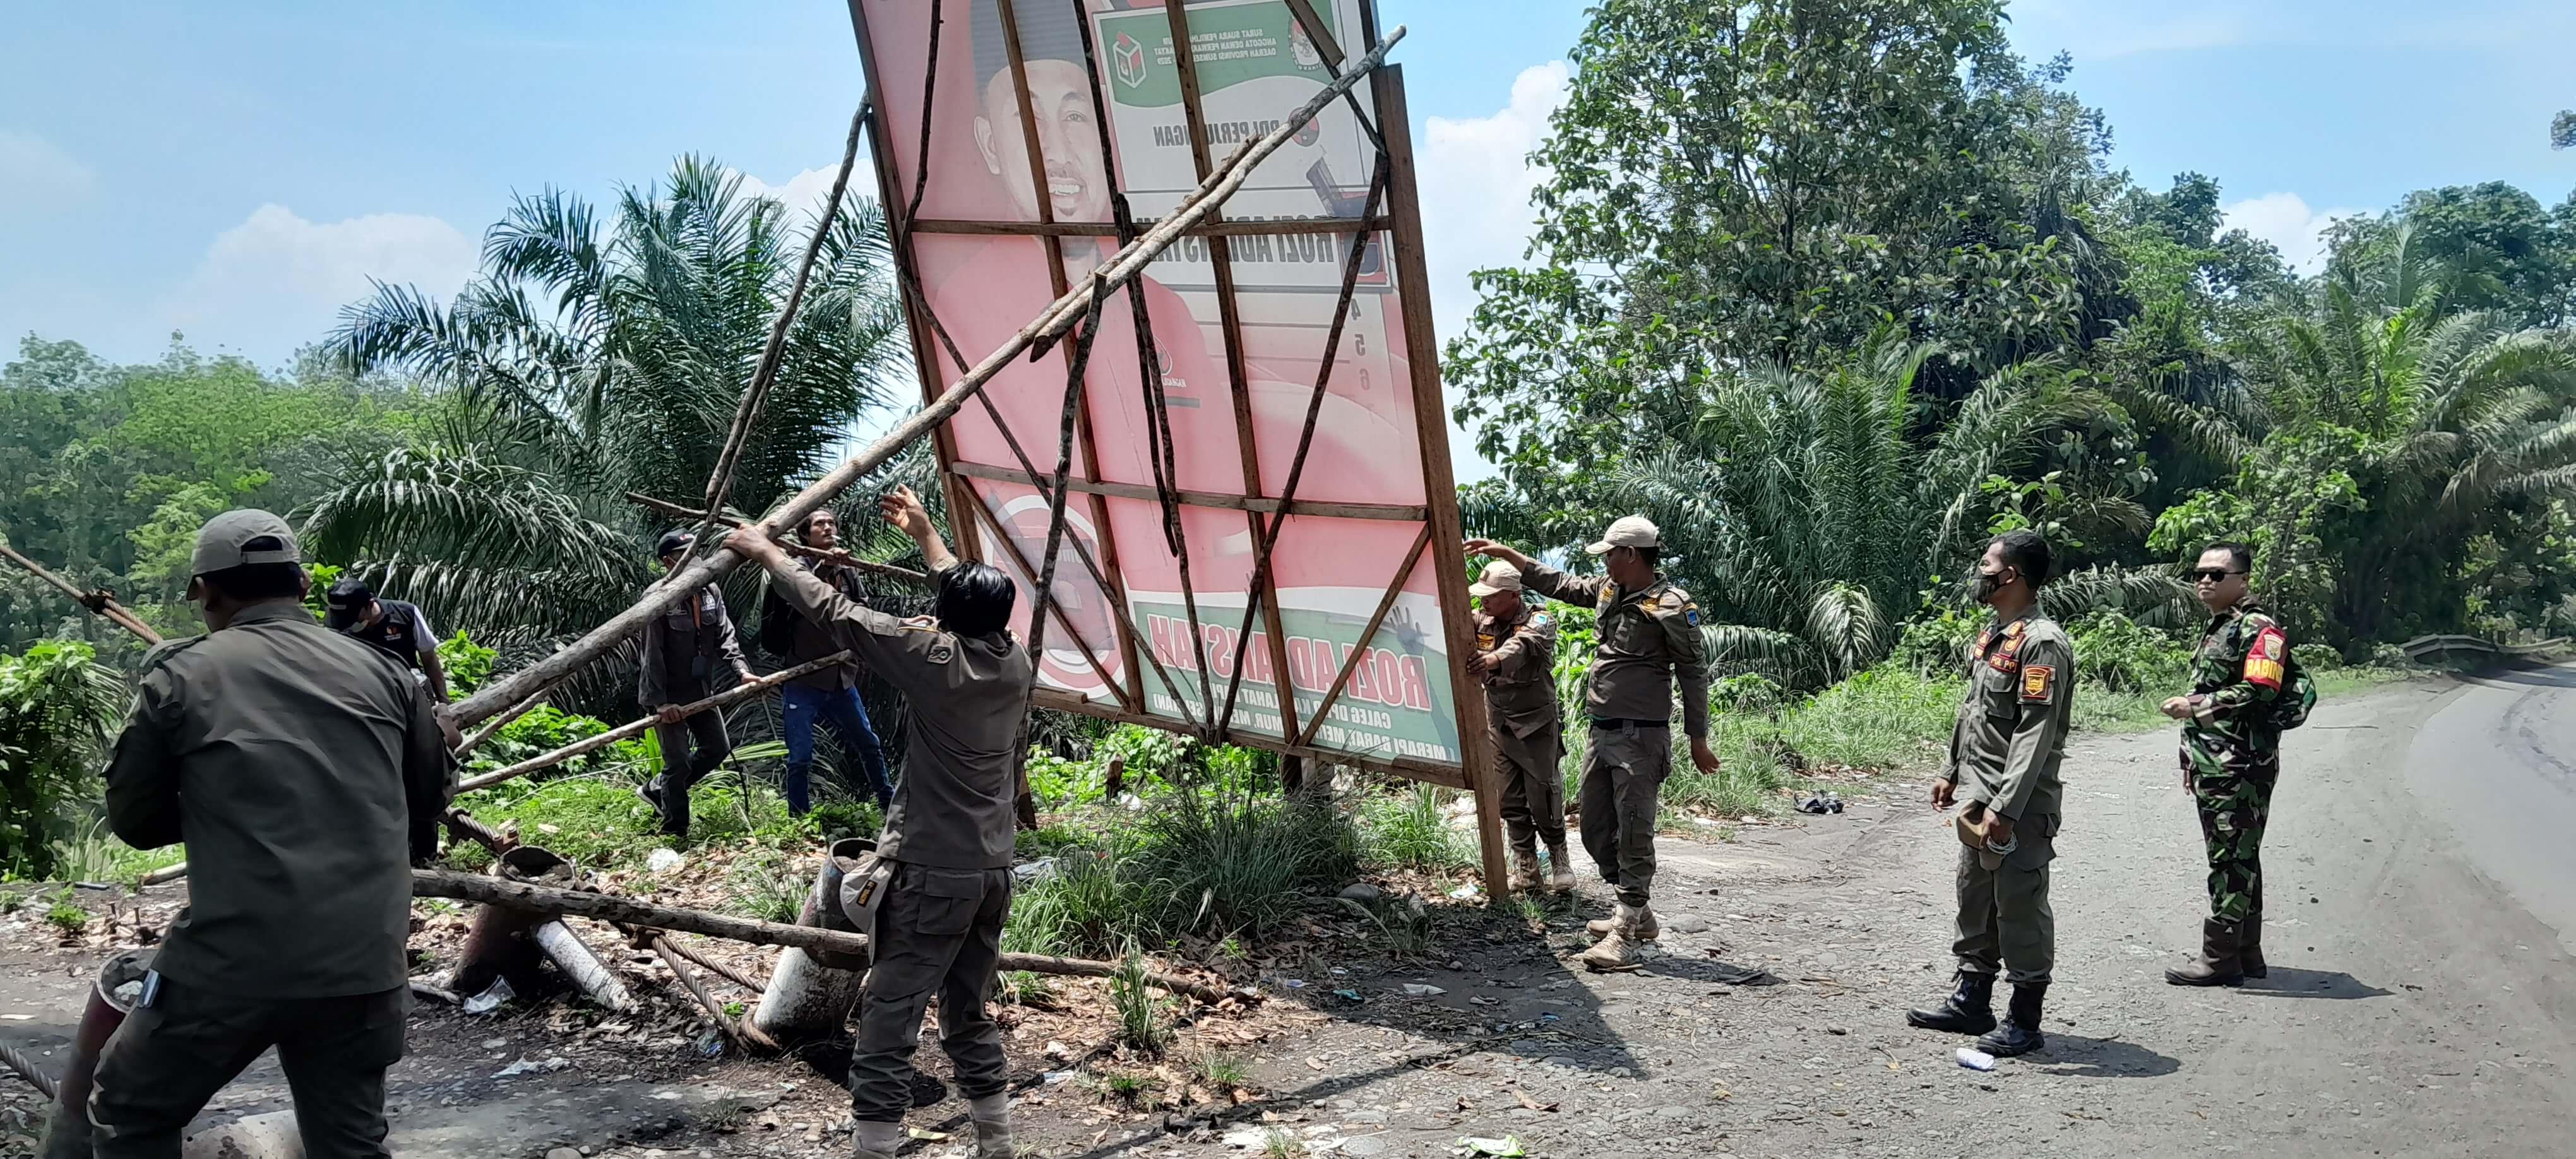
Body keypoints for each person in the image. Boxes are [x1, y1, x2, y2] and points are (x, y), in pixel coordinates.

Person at [89, 510, 451, 1158]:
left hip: (231, 965)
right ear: (306, 585)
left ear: (206, 590)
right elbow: (428, 797)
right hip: (364, 964)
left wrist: (219, 803)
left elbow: (135, 824)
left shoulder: (179, 676)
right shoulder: (390, 676)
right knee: (349, 1142)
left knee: (127, 1107)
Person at [724, 485, 1030, 1159]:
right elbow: (963, 592)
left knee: (889, 1019)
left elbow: (837, 610)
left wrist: (766, 552)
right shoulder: (1013, 662)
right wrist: (926, 532)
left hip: (930, 874)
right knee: (967, 1014)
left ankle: (874, 1149)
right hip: (990, 873)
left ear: (946, 621)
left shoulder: (934, 661)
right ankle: (998, 1145)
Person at [1463, 516, 1718, 971]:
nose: (1605, 562)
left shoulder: (1671, 607)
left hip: (1642, 735)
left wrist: (1698, 738)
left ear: (1631, 555)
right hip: (1603, 730)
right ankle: (1637, 912)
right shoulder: (1607, 590)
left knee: (1635, 828)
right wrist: (1507, 555)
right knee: (1596, 829)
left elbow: (1693, 673)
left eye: (1610, 554)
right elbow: (1560, 583)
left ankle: (1624, 932)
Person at [1905, 530, 2075, 1058]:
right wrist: (1951, 769)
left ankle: (2025, 1019)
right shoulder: (1996, 635)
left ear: (2013, 576)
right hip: (1981, 793)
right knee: (1975, 898)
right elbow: (1974, 709)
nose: (1980, 574)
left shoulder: (2042, 642)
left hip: (2017, 803)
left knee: (2019, 905)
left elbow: (2035, 732)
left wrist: (2007, 805)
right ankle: (1971, 1000)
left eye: (1987, 566)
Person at [2161, 542, 2289, 987]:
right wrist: (2190, 759)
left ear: (2243, 580)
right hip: (2216, 762)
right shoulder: (2221, 627)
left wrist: (2195, 705)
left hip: (2241, 766)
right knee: (2239, 856)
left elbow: (2262, 690)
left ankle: (2219, 959)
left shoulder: (2259, 629)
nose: (2205, 581)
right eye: (2200, 573)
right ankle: (2246, 953)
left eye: (2218, 574)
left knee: (2231, 859)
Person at [758, 508, 895, 814]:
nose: (829, 527)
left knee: (868, 744)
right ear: (806, 534)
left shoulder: (847, 570)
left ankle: (889, 804)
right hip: (803, 677)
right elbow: (803, 596)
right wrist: (823, 568)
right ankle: (798, 817)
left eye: (832, 522)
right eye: (821, 523)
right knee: (800, 756)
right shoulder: (793, 570)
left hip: (840, 677)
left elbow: (861, 609)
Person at [637, 528, 758, 839]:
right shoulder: (657, 598)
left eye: (696, 556)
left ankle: (657, 790)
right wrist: (660, 703)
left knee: (717, 748)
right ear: (668, 563)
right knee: (676, 761)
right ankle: (675, 830)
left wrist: (742, 670)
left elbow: (725, 636)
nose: (694, 563)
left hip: (700, 688)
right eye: (684, 558)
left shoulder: (710, 592)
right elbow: (652, 654)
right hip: (668, 693)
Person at [1465, 559, 1571, 891]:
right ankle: (1526, 868)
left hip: (1535, 723)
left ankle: (1559, 858)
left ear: (1513, 596)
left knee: (1543, 795)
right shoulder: (1481, 619)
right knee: (1508, 798)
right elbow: (1448, 623)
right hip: (1498, 721)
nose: (1484, 601)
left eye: (1491, 596)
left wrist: (1492, 660)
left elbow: (1523, 645)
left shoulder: (1540, 619)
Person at [323, 574, 451, 703]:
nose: (349, 624)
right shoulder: (336, 625)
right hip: (365, 697)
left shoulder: (406, 613)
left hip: (409, 692)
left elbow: (429, 659)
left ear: (370, 604)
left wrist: (444, 702)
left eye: (353, 617)